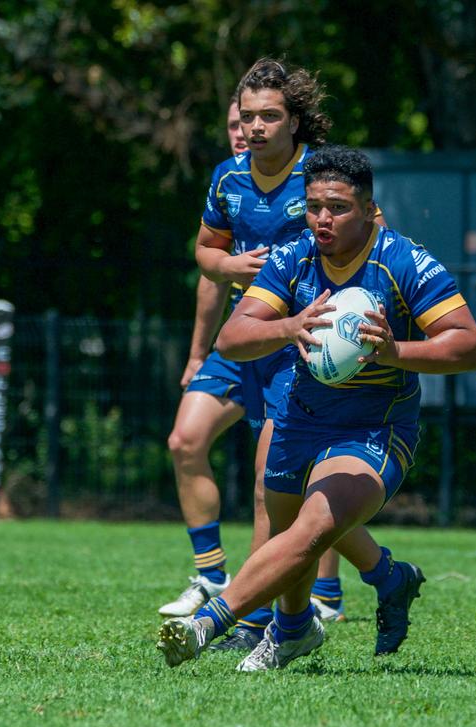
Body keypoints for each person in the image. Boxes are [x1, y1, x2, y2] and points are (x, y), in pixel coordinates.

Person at [157, 145, 476, 672]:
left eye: (337, 207)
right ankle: (295, 630)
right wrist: (290, 325)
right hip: (301, 418)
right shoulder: (295, 257)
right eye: (313, 207)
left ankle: (208, 623)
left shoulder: (404, 262)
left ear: (368, 208)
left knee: (312, 526)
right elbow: (234, 338)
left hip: (373, 428)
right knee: (290, 534)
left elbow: (470, 346)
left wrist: (394, 351)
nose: (322, 219)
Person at [159, 63, 379, 648]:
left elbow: (373, 235)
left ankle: (260, 619)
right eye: (247, 116)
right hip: (243, 340)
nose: (254, 128)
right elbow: (207, 253)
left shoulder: (321, 174)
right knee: (185, 439)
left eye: (269, 116)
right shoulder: (227, 178)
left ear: (295, 119)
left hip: (298, 344)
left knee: (270, 483)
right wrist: (228, 265)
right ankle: (216, 577)